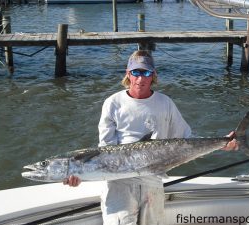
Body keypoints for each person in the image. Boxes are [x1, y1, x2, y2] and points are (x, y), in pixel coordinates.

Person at [63, 50, 238, 225]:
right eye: (136, 72)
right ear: (128, 74)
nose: (140, 79)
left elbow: (186, 138)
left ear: (153, 75)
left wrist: (223, 143)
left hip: (153, 182)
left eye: (146, 73)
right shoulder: (113, 103)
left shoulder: (165, 103)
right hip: (118, 186)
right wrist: (82, 175)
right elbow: (104, 151)